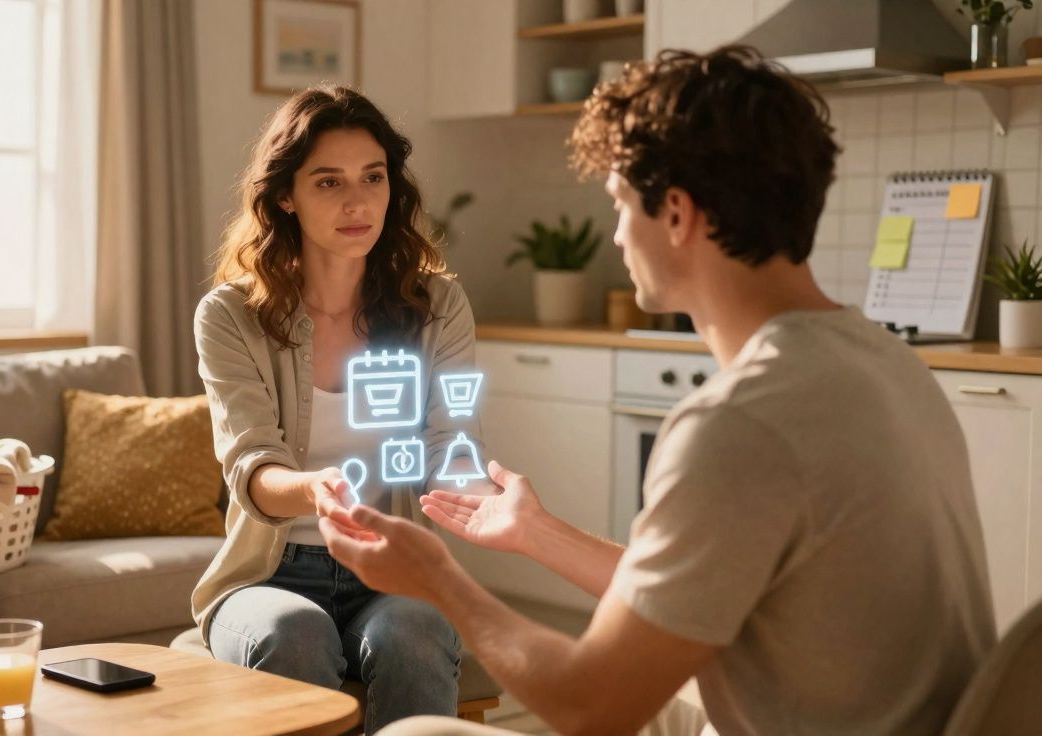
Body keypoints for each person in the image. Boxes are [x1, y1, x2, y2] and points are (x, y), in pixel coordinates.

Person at [317, 46, 997, 736]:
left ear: (676, 214)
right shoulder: (887, 361)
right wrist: (536, 532)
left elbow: (592, 706)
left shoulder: (740, 425)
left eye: (618, 206)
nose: (615, 235)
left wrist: (438, 579)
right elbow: (699, 588)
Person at [191, 85, 487, 734]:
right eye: (329, 182)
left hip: (393, 562)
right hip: (268, 574)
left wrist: (480, 494)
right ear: (285, 197)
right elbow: (251, 467)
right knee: (293, 632)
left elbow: (445, 442)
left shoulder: (436, 307)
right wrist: (316, 489)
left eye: (373, 177)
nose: (358, 201)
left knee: (414, 632)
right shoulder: (231, 316)